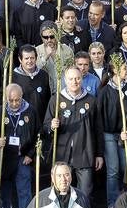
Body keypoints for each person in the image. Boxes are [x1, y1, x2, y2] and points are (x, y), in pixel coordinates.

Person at [44, 65, 103, 198]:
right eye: (71, 79)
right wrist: (51, 125)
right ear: (65, 80)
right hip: (62, 155)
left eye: (77, 78)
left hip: (85, 154)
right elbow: (46, 125)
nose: (74, 82)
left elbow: (98, 129)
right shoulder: (56, 99)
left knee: (85, 193)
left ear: (82, 79)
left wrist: (99, 154)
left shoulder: (91, 100)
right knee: (62, 192)